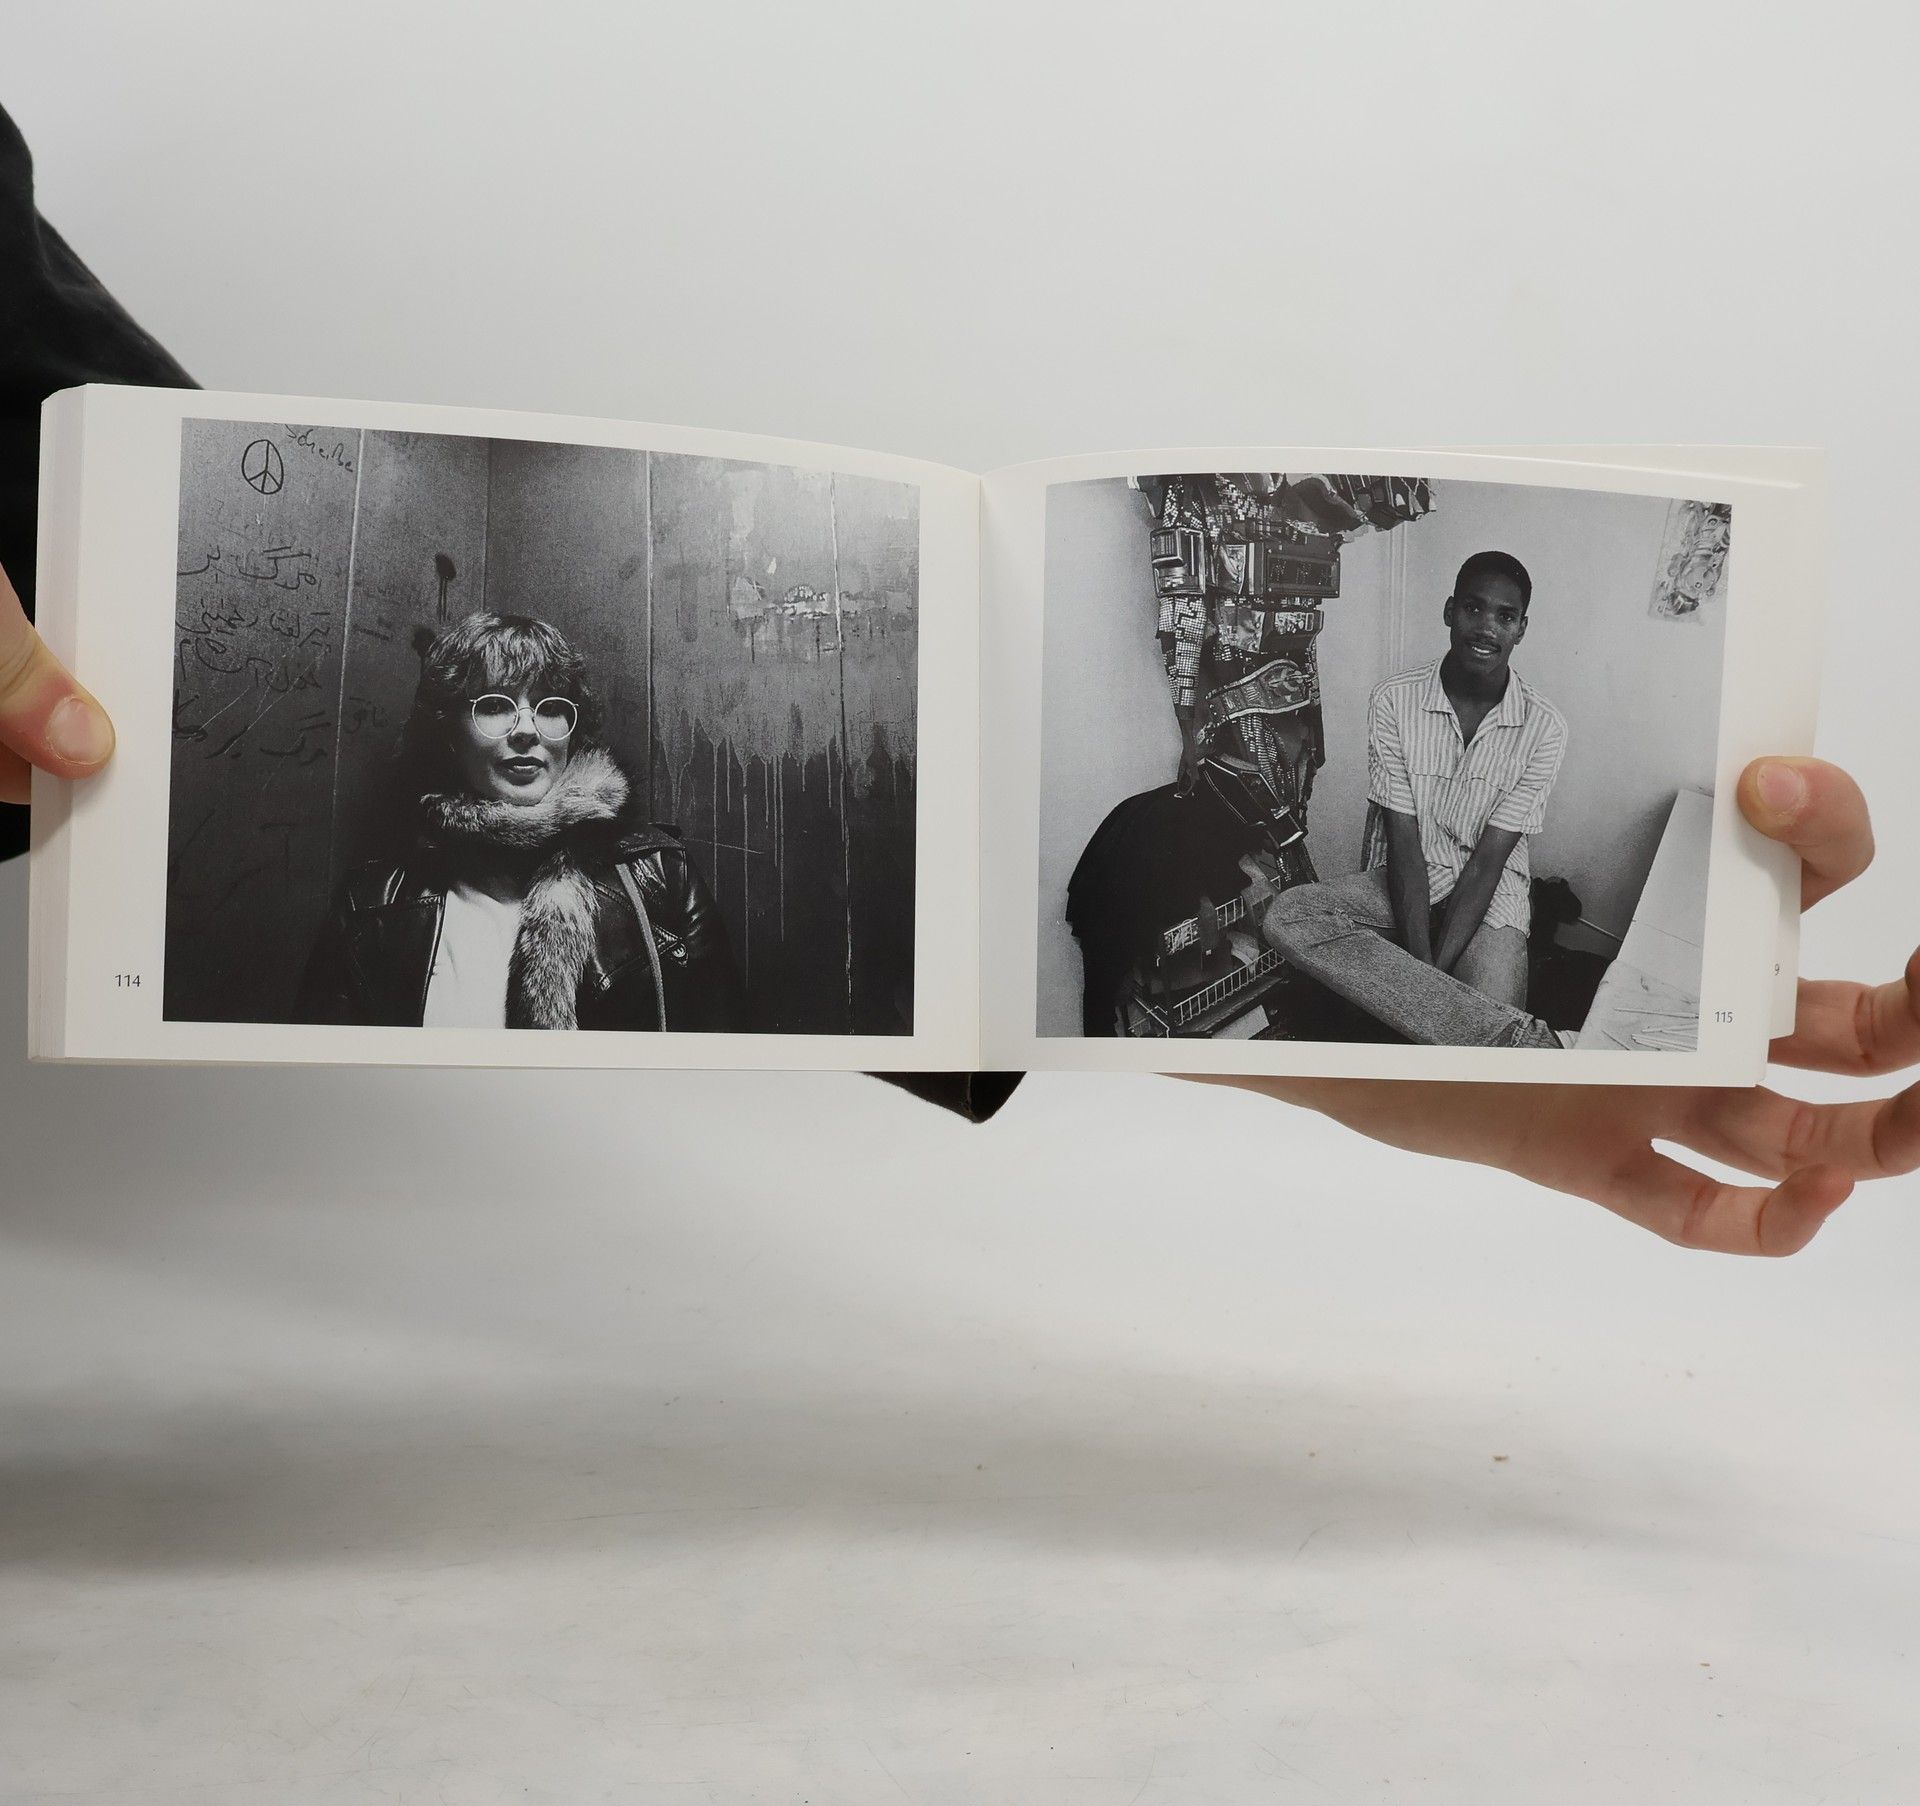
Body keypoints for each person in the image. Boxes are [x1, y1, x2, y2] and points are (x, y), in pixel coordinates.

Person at [2, 102, 1915, 1253]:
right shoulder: (382, 895)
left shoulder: (655, 886)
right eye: (485, 707)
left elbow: (61, 435)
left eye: (545, 708)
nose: (515, 734)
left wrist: (1382, 1035)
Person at [292, 612, 741, 1031]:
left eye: (549, 706)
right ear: (450, 733)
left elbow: (721, 1064)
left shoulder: (661, 875)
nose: (527, 730)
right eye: (495, 705)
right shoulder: (372, 905)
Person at [1262, 548, 1567, 1048]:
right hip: (1406, 878)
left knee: (1492, 1056)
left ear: (1521, 629)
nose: (1486, 628)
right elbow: (1403, 842)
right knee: (1288, 915)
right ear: (1449, 611)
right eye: (1473, 608)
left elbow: (1488, 863)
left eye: (1505, 616)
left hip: (1491, 895)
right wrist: (1426, 979)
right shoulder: (1393, 699)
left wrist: (1423, 983)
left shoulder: (1545, 727)